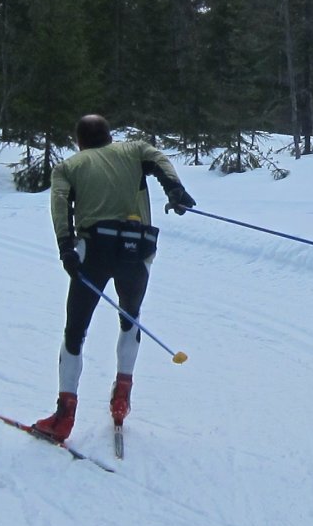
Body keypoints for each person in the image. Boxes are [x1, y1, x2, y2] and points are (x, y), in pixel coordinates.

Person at [33, 114, 194, 442]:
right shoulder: (134, 149)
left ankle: (63, 418)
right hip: (137, 251)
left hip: (93, 251)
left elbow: (60, 206)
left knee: (75, 331)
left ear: (78, 141)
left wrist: (66, 248)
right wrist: (175, 190)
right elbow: (160, 161)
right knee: (130, 319)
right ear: (110, 136)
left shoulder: (68, 167)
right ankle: (121, 398)